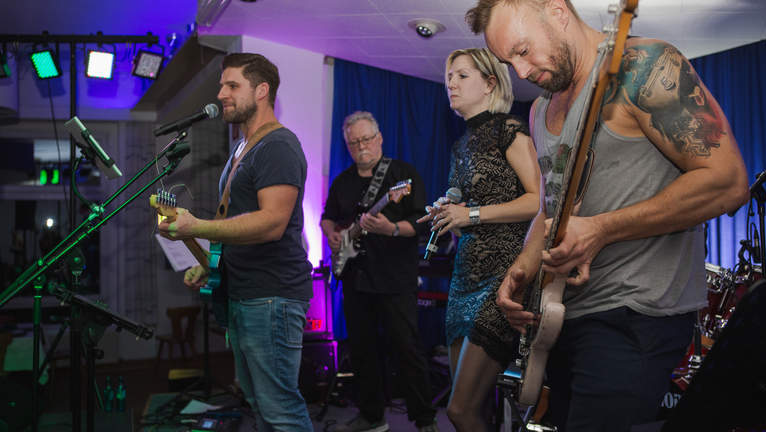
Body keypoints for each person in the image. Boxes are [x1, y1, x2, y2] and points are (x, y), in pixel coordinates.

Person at [465, 0, 750, 431]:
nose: (520, 72)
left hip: (635, 315)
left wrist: (601, 230)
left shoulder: (643, 67)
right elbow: (550, 206)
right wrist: (521, 271)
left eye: (523, 51)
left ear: (557, 11)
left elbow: (727, 182)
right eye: (509, 62)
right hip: (563, 318)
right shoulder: (541, 109)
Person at [157, 53, 314, 431]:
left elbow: (272, 223)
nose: (221, 94)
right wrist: (208, 264)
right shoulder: (241, 150)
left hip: (271, 296)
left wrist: (196, 226)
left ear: (261, 90)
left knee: (280, 410)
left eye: (232, 85)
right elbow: (233, 222)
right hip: (244, 294)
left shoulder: (278, 145)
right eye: (221, 85)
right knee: (259, 404)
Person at [417, 48, 540, 431]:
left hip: (501, 277)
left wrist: (470, 214)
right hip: (464, 277)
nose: (451, 84)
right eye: (448, 77)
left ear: (489, 83)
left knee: (460, 410)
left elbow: (538, 200)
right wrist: (450, 213)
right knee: (471, 408)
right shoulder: (461, 144)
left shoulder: (510, 130)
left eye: (461, 76)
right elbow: (472, 208)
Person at [320, 111, 438, 432]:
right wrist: (332, 234)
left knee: (407, 348)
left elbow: (422, 222)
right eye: (354, 142)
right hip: (355, 278)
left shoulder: (403, 176)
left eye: (366, 139)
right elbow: (327, 217)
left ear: (380, 138)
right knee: (362, 350)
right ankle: (372, 417)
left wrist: (392, 229)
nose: (361, 147)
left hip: (395, 278)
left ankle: (425, 420)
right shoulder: (342, 182)